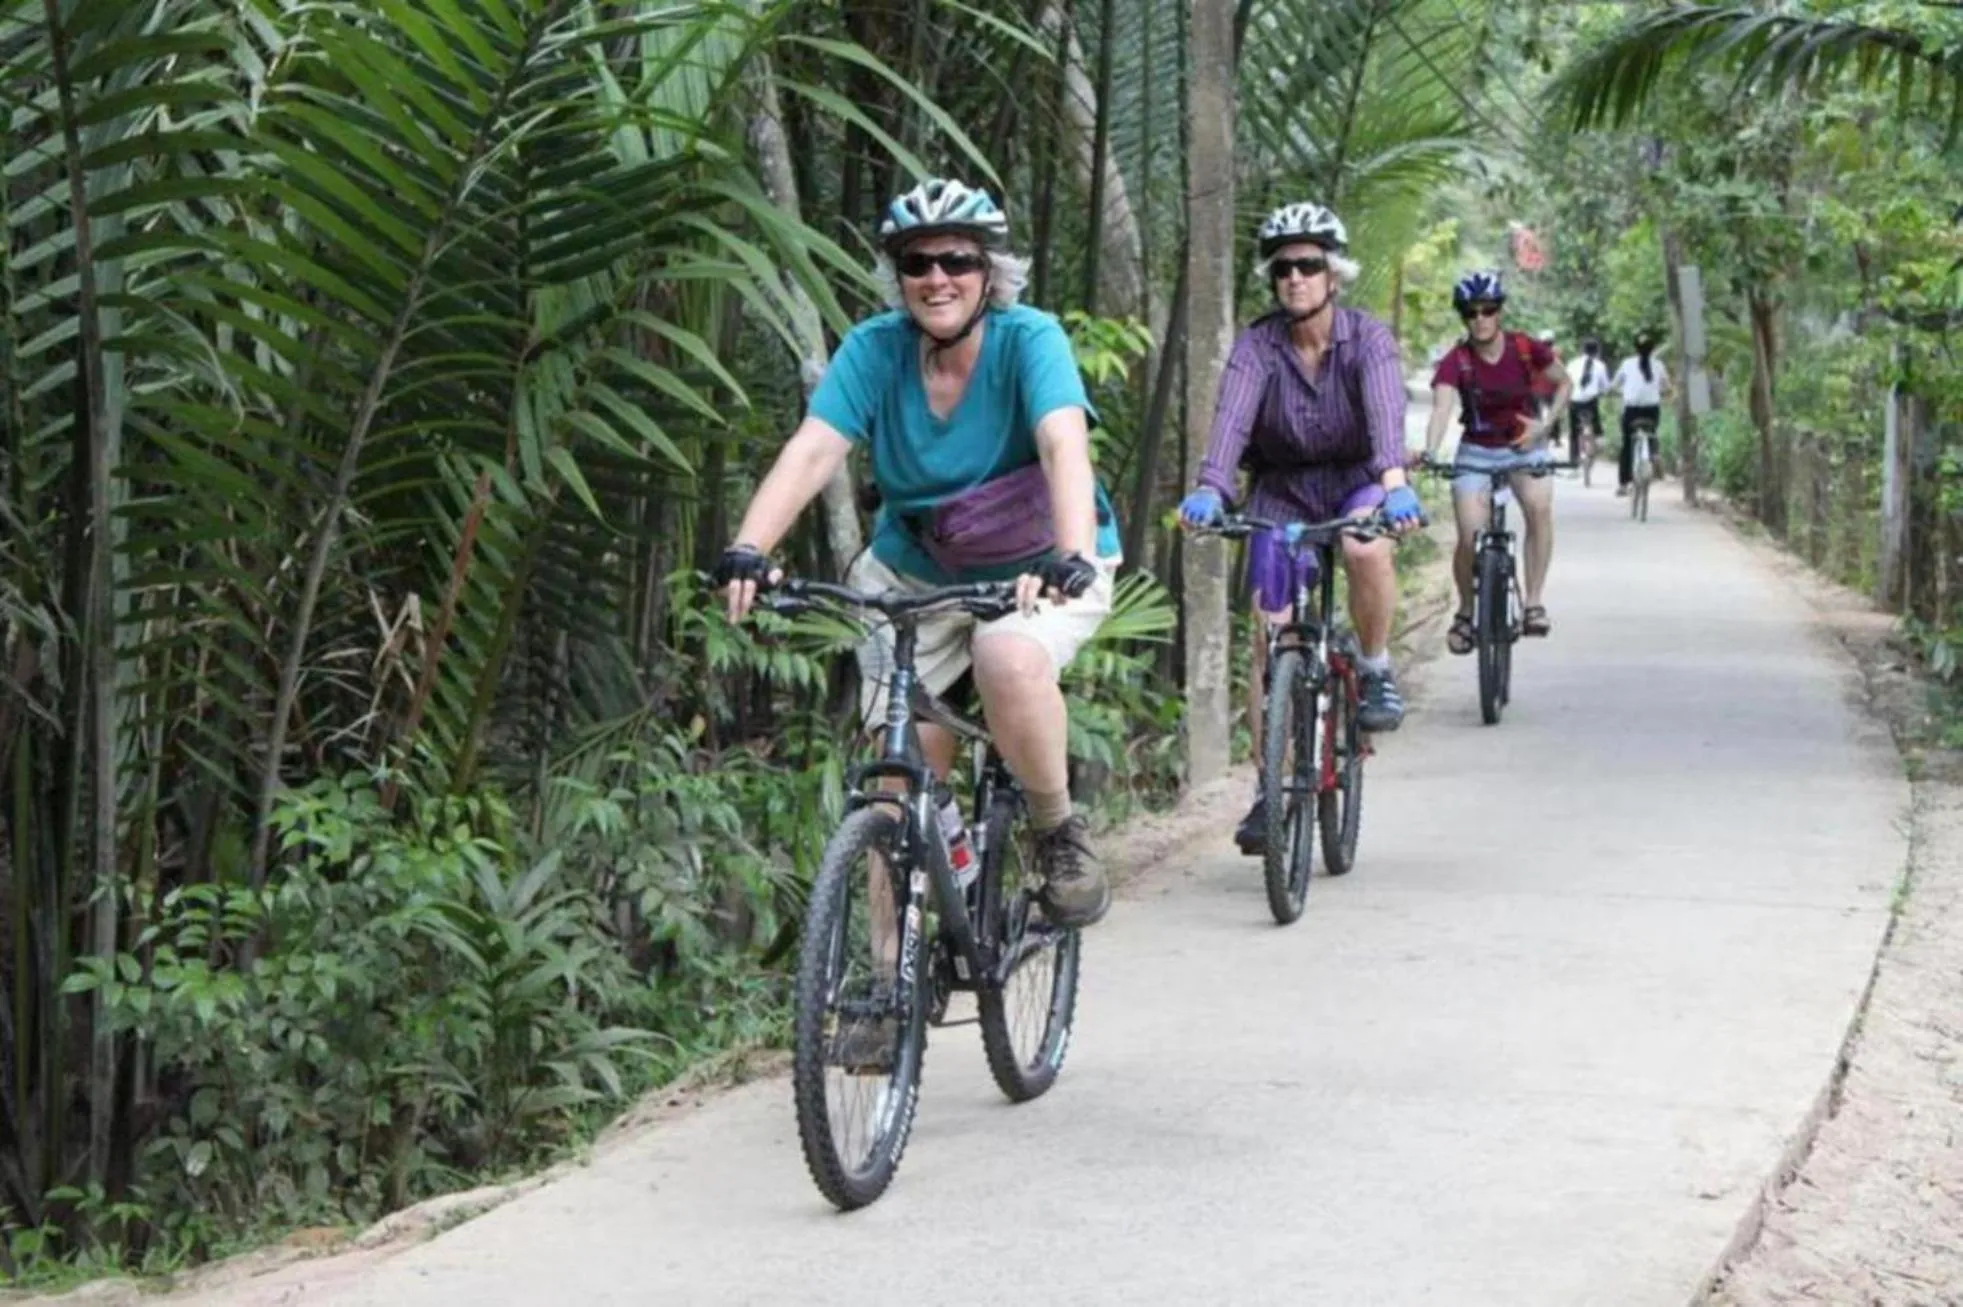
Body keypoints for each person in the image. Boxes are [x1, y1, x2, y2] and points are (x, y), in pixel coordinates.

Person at [713, 177, 1118, 930]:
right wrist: (748, 547)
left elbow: (1062, 443)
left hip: (1038, 569)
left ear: (988, 272)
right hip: (913, 573)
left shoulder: (1029, 338)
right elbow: (812, 451)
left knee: (1007, 660)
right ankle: (879, 988)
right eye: (917, 262)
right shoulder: (875, 348)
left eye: (957, 261)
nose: (937, 278)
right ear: (897, 277)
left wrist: (1070, 553)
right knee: (895, 783)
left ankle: (1056, 829)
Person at [1175, 201, 1425, 855]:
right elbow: (1231, 419)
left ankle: (1372, 666)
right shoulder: (1257, 346)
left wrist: (1394, 486)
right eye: (1282, 268)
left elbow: (1382, 413)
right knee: (1270, 634)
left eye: (1308, 265)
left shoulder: (1366, 339)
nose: (1294, 278)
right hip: (1281, 490)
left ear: (1332, 274)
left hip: (1357, 479)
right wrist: (1211, 486)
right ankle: (1269, 787)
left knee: (1363, 543)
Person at [1422, 270, 1570, 650]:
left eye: (1488, 310)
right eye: (1471, 313)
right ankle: (1466, 612)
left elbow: (1563, 381)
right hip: (1476, 451)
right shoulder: (1456, 360)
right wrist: (1430, 451)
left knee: (1538, 507)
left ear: (1499, 312)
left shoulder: (1525, 347)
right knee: (1470, 534)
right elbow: (1441, 408)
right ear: (1464, 317)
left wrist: (1545, 425)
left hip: (1525, 446)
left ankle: (1534, 602)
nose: (1480, 319)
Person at [1611, 331, 1671, 496]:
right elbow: (1667, 387)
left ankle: (1624, 484)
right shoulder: (1659, 365)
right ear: (1653, 349)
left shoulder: (1626, 364)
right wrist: (1660, 392)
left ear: (1635, 348)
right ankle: (1654, 456)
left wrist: (1622, 392)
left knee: (1627, 445)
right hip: (1652, 410)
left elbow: (1614, 385)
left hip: (1631, 410)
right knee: (1651, 434)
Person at [1569, 336, 1611, 476]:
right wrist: (1603, 392)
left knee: (1574, 433)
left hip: (1574, 402)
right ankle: (1598, 440)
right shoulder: (1600, 365)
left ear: (1582, 350)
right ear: (1597, 351)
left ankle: (1574, 462)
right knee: (1596, 424)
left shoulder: (1572, 363)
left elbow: (1567, 382)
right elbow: (1605, 387)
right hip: (1590, 403)